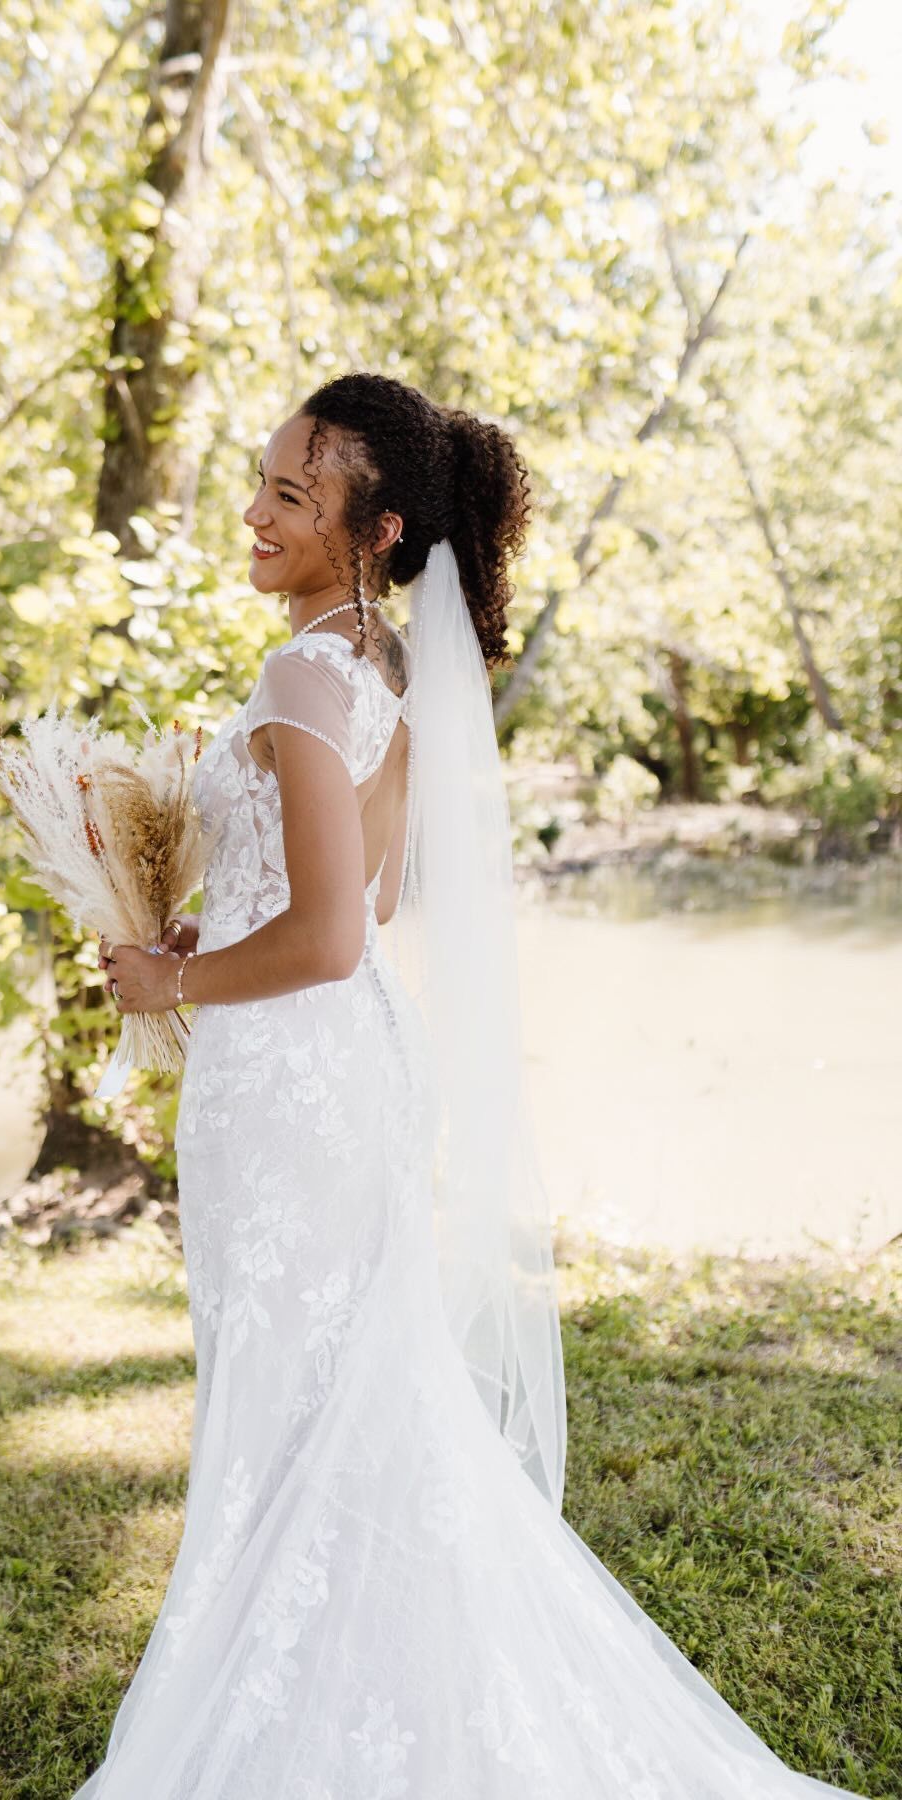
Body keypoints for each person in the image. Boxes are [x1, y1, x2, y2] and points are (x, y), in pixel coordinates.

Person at [78, 372, 865, 1798]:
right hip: (353, 1068)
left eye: (290, 495)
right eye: (259, 482)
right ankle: (371, 1681)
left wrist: (167, 982)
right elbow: (363, 903)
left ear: (374, 531)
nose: (253, 513)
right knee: (352, 1395)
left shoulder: (302, 678)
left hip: (296, 1084)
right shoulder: (383, 667)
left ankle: (297, 1715)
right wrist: (209, 934)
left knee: (293, 1403)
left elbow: (327, 937)